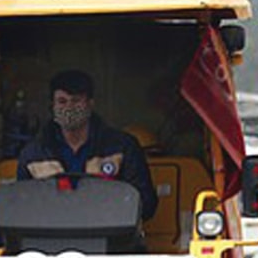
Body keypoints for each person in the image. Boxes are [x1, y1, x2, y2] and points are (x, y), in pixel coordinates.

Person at [16, 69, 157, 222]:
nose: (69, 107)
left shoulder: (122, 147)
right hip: (51, 240)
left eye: (76, 101)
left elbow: (146, 204)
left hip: (109, 238)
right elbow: (22, 208)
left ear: (90, 104)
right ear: (52, 106)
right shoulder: (33, 155)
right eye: (62, 101)